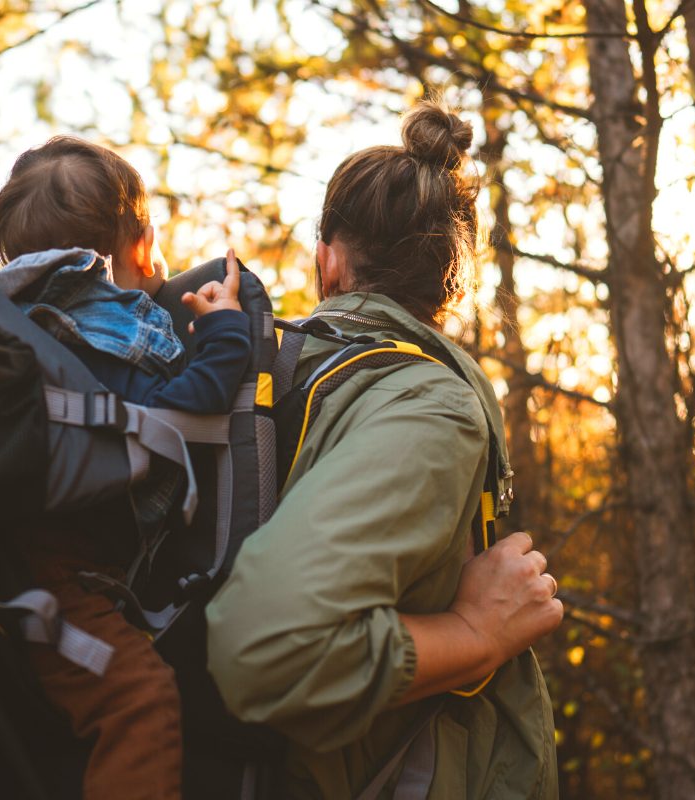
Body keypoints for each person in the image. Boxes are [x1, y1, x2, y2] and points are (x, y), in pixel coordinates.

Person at [205, 102, 565, 799]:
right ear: (445, 284)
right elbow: (265, 651)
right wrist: (475, 631)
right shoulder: (428, 405)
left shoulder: (264, 374)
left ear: (328, 263)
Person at [0, 135, 249, 800]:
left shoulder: (7, 323)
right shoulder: (102, 332)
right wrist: (223, 332)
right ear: (141, 245)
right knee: (141, 703)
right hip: (58, 576)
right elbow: (173, 416)